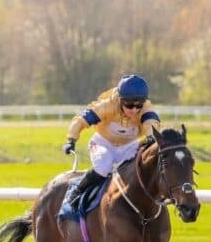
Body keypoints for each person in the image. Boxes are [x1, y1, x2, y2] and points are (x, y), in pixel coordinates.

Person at [61, 74, 161, 211]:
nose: (134, 110)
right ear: (120, 100)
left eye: (139, 106)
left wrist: (151, 136)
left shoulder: (145, 108)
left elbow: (151, 122)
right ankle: (77, 191)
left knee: (141, 169)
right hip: (102, 143)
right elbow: (81, 121)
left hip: (129, 146)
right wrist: (71, 139)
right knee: (103, 168)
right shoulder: (107, 105)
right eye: (129, 105)